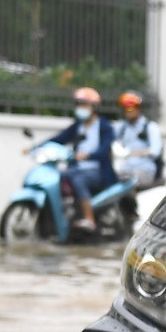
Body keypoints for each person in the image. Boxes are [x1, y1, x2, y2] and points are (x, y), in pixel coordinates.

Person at [37, 87, 118, 232]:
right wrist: (37, 147)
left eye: (84, 105)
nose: (81, 108)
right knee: (56, 178)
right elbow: (59, 139)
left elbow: (104, 150)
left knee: (78, 180)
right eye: (79, 104)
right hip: (77, 168)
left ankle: (89, 219)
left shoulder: (105, 127)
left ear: (94, 107)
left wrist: (88, 155)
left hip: (97, 171)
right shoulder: (78, 126)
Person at [111, 91, 164, 188]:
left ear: (139, 108)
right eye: (125, 109)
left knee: (129, 182)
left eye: (131, 108)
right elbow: (110, 142)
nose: (128, 112)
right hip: (124, 170)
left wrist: (133, 153)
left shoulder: (150, 127)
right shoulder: (121, 127)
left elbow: (155, 151)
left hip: (144, 171)